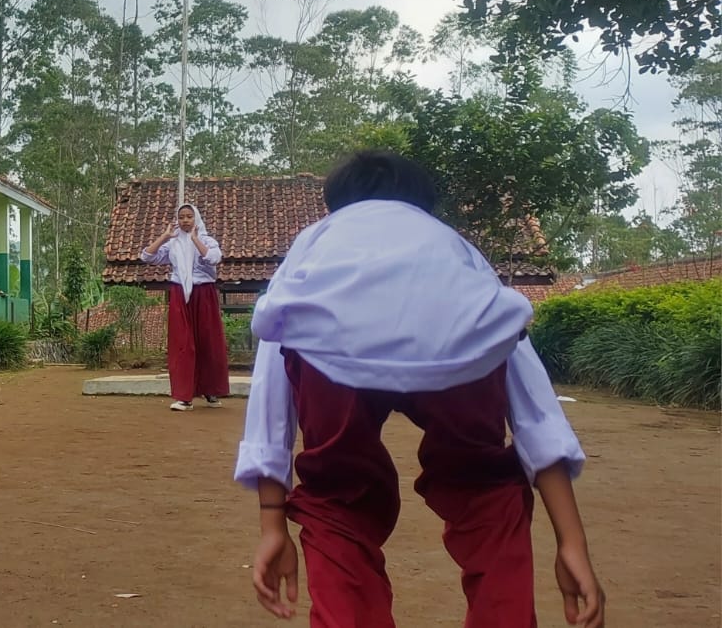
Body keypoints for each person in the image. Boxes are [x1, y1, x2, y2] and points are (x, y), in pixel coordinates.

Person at [235, 150, 604, 628]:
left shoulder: (315, 245)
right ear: (423, 204)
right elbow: (533, 406)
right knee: (482, 486)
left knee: (339, 492)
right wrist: (572, 541)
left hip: (331, 354)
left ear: (336, 204)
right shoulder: (454, 248)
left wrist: (271, 524)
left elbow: (271, 382)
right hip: (457, 347)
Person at [139, 202, 227, 411]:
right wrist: (165, 236)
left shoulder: (207, 240)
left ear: (196, 219)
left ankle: (211, 391)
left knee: (208, 341)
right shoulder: (174, 243)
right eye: (182, 217)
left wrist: (195, 239)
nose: (185, 220)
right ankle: (184, 396)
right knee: (182, 343)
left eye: (189, 216)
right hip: (180, 293)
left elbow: (214, 258)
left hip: (204, 293)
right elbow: (147, 256)